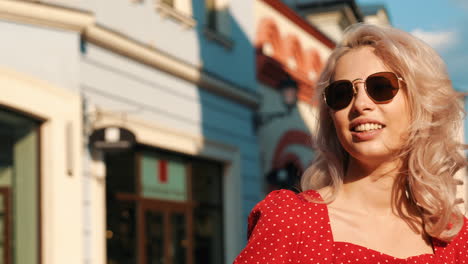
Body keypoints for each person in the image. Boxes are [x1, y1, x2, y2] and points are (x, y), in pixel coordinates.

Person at [233, 23, 467, 263]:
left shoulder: (455, 239)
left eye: (381, 87)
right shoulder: (290, 221)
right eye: (342, 93)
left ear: (419, 103)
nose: (360, 104)